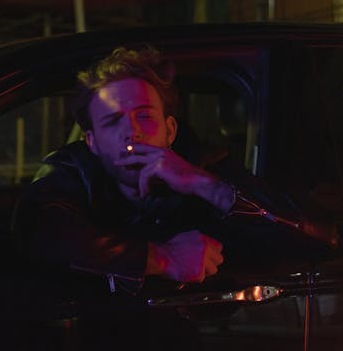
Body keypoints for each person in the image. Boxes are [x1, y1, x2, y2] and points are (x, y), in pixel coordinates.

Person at [13, 46, 247, 294]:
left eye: (144, 116)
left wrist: (200, 182)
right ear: (91, 142)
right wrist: (162, 259)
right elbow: (38, 231)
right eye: (112, 122)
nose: (131, 132)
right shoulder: (73, 171)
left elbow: (288, 232)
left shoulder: (205, 165)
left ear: (170, 131)